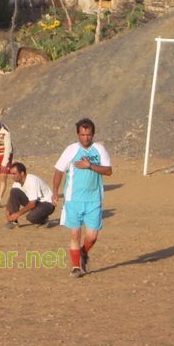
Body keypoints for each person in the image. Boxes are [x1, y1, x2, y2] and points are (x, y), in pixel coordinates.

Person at [52, 118, 112, 278]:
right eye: (82, 134)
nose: (85, 138)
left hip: (94, 199)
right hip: (73, 200)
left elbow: (108, 171)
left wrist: (90, 166)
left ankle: (83, 252)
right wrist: (55, 192)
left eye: (89, 135)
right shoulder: (71, 150)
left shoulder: (99, 149)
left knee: (92, 236)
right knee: (75, 235)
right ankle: (76, 267)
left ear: (93, 134)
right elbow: (58, 170)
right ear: (78, 134)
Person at [4, 162, 55, 229]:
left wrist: (17, 214)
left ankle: (44, 220)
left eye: (14, 174)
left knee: (31, 217)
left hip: (47, 204)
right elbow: (11, 197)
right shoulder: (17, 182)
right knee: (14, 191)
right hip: (35, 203)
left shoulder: (32, 180)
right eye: (11, 174)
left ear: (22, 173)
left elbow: (32, 204)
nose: (12, 176)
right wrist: (7, 210)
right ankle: (14, 222)